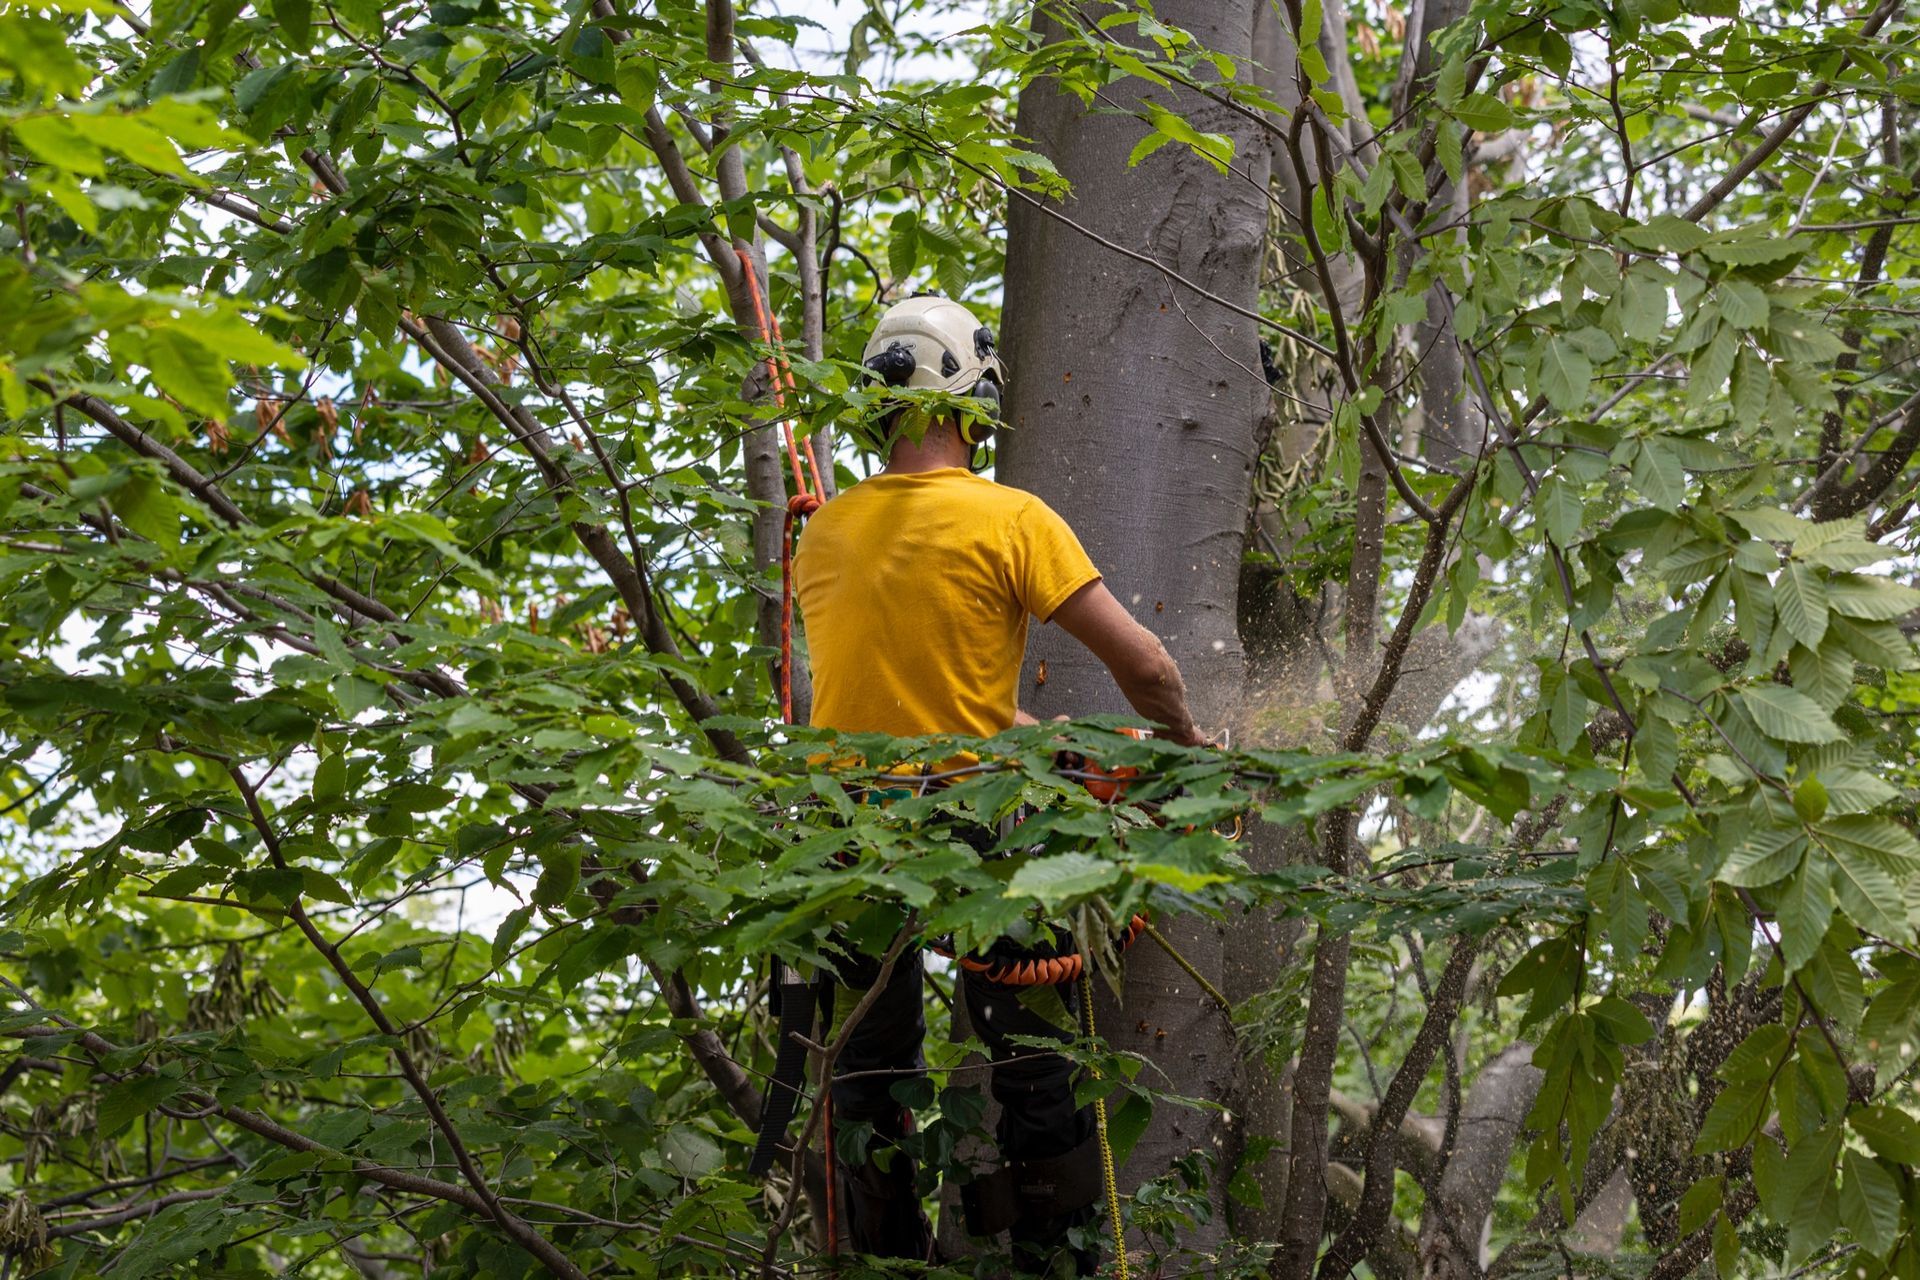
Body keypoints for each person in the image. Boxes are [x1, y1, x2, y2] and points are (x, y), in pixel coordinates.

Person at [791, 296, 1207, 1277]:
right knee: (1034, 1065)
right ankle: (1052, 1258)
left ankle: (884, 1260)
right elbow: (1144, 665)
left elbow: (896, 691)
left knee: (868, 1072)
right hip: (974, 829)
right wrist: (1182, 735)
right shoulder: (1010, 518)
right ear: (974, 399)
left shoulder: (826, 534)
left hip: (845, 835)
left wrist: (1034, 734)